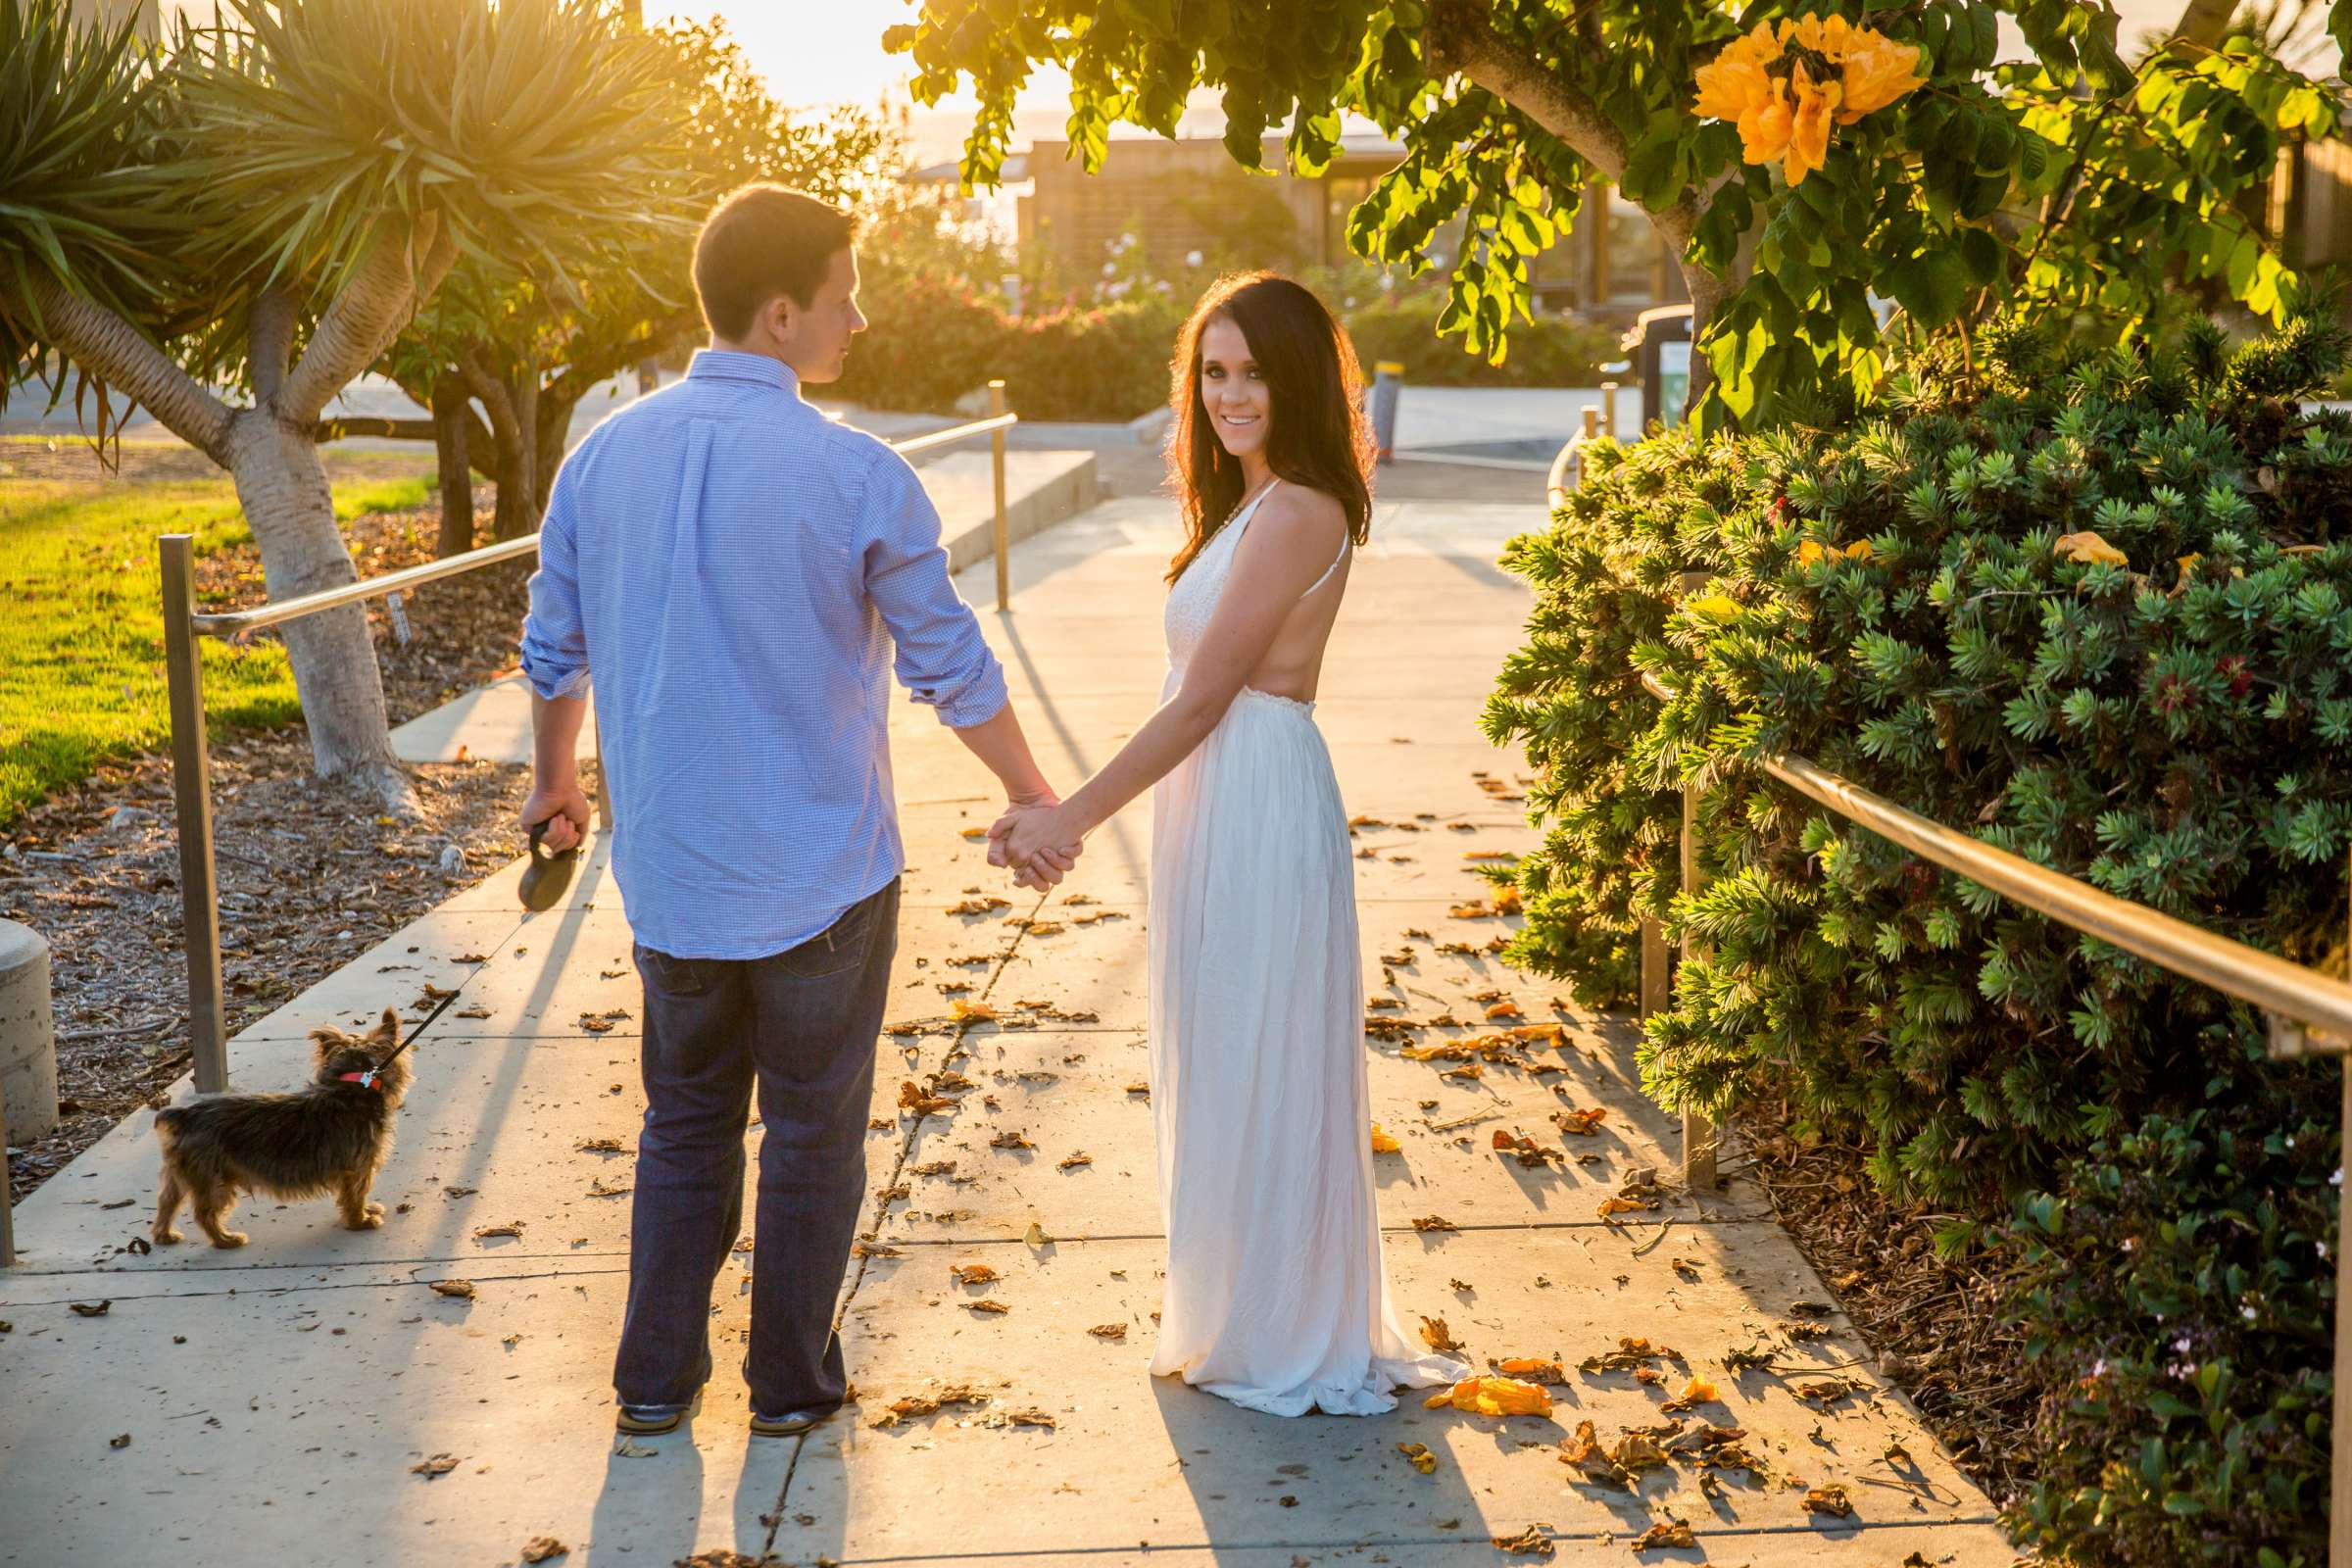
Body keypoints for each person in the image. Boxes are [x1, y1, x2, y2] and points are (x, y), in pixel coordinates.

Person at [516, 184, 1075, 1440]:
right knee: (815, 1136)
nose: (860, 317)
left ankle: (655, 1382)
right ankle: (789, 1390)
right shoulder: (855, 472)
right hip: (824, 874)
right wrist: (1030, 793)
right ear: (782, 313)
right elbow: (951, 664)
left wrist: (557, 783)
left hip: (672, 874)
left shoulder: (600, 457)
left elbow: (554, 645)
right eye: (842, 295)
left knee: (685, 1124)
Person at [988, 271, 1469, 1415]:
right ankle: (1238, 1306)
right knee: (1222, 1042)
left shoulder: (1299, 507)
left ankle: (1280, 1323)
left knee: (1260, 1043)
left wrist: (1067, 817)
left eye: (1253, 371)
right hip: (1221, 794)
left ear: (1299, 379)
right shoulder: (1250, 505)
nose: (1229, 393)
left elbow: (1204, 699)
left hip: (1254, 787)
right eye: (1213, 370)